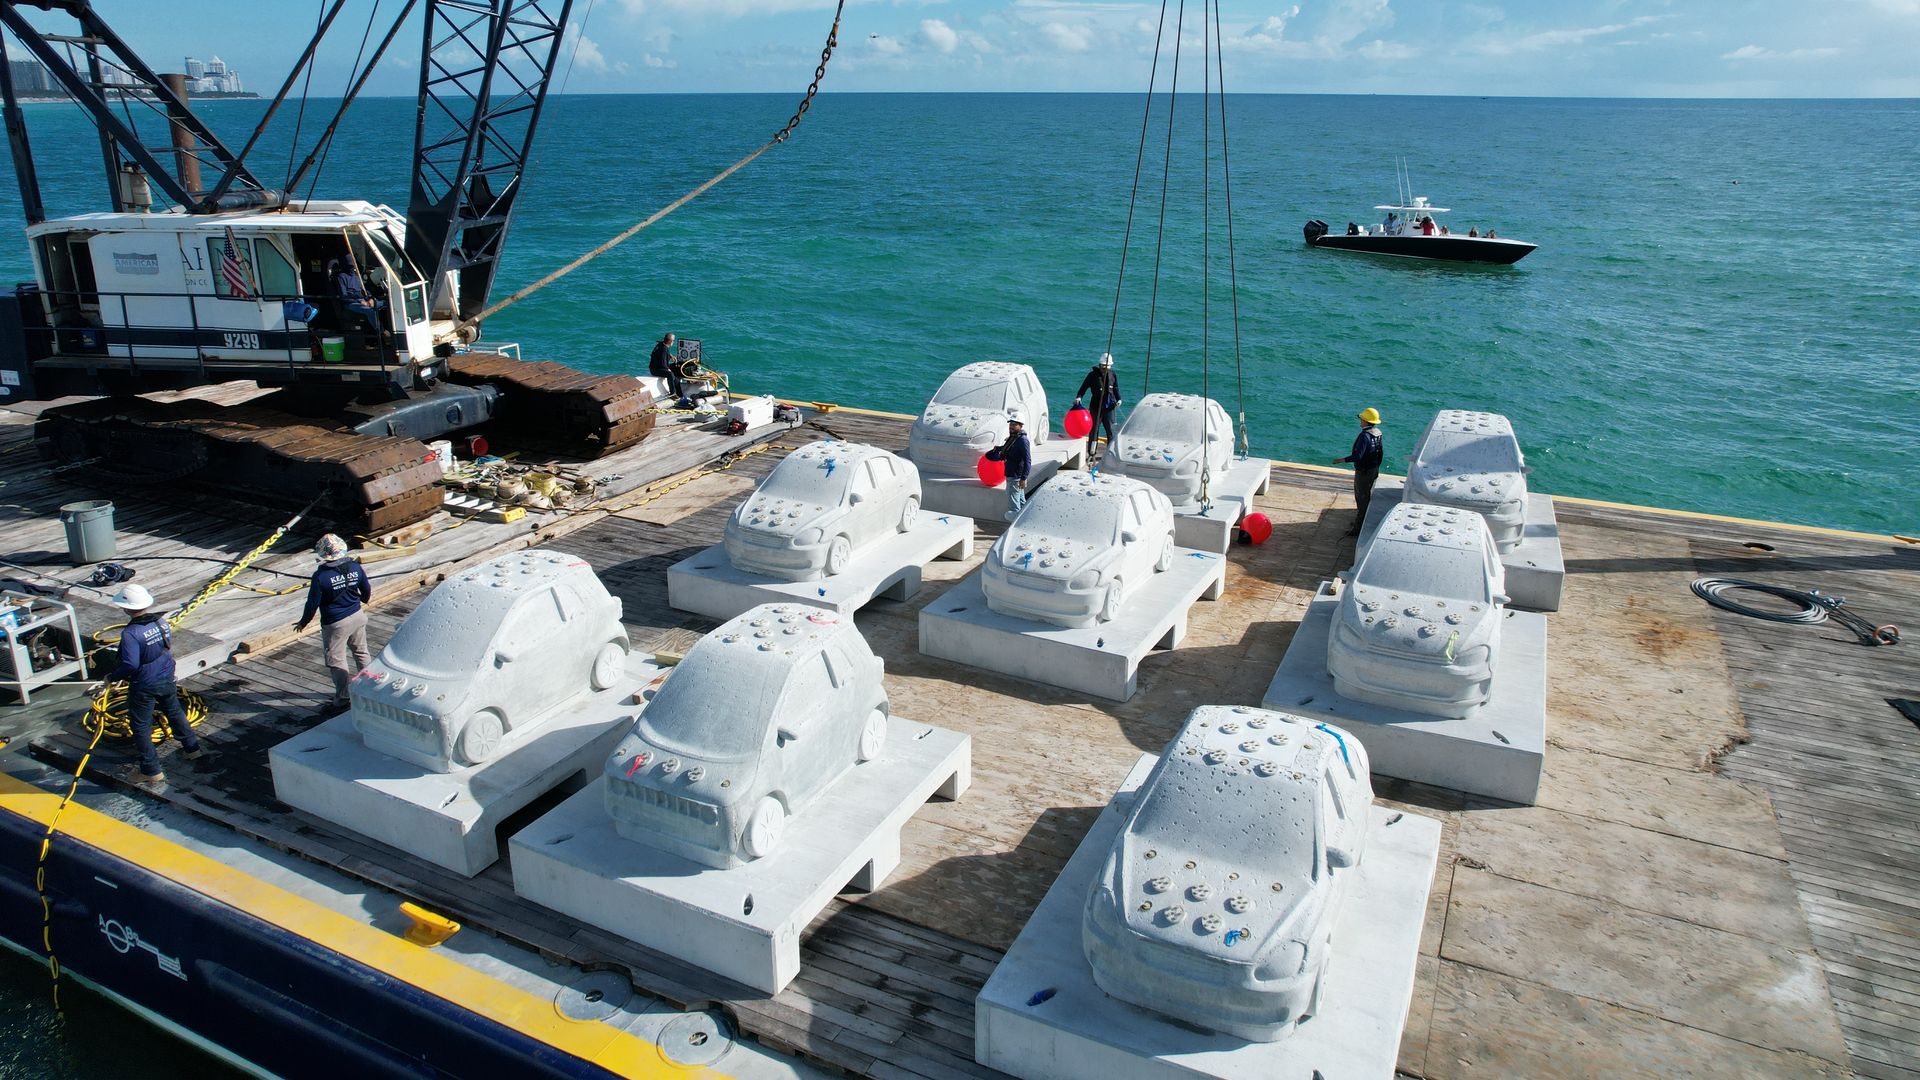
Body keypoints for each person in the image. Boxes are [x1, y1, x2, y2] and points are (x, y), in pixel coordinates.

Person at [94, 584, 204, 789]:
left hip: (145, 682)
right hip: (166, 673)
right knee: (174, 710)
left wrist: (112, 676)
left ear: (126, 607)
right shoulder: (160, 622)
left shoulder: (131, 634)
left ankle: (151, 770)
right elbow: (166, 645)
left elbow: (130, 664)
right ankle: (192, 748)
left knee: (140, 726)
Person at [294, 534, 373, 710]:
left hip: (336, 623)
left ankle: (343, 699)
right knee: (361, 651)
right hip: (358, 615)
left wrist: (303, 622)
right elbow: (366, 589)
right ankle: (369, 689)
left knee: (337, 660)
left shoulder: (321, 576)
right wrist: (365, 600)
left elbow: (312, 603)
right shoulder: (355, 566)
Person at [1331, 407, 1384, 536]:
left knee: (1361, 498)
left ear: (1365, 421)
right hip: (1373, 470)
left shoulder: (1364, 436)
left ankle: (1358, 529)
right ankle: (1360, 522)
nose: (1360, 421)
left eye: (1362, 419)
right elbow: (1380, 453)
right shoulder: (1378, 433)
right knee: (1367, 496)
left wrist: (1341, 460)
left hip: (1364, 472)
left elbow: (1358, 456)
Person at [1073, 352, 1123, 461]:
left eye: (1107, 367)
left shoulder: (1113, 375)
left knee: (1110, 431)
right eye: (1103, 367)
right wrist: (1079, 397)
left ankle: (1110, 454)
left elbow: (1115, 388)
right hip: (1096, 407)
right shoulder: (1092, 375)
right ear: (1100, 365)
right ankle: (1092, 454)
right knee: (1094, 431)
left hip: (1109, 408)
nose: (1105, 369)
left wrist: (1119, 399)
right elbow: (1084, 387)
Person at [986, 410, 1032, 521]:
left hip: (1015, 477)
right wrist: (1000, 448)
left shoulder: (1022, 440)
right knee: (1021, 501)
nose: (1011, 426)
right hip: (1013, 475)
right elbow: (1010, 449)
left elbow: (1028, 460)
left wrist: (1024, 478)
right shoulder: (1014, 437)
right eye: (1010, 423)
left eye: (1014, 424)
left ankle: (1014, 526)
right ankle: (1026, 521)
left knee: (1014, 506)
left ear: (1020, 425)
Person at [329, 256, 384, 334]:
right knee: (371, 311)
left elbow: (365, 291)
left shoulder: (357, 276)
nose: (353, 267)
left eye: (353, 265)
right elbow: (344, 297)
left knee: (386, 304)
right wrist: (360, 301)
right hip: (351, 303)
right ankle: (382, 333)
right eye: (350, 265)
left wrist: (370, 298)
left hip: (364, 300)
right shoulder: (341, 277)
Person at [649, 332, 683, 402]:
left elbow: (663, 354)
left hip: (657, 367)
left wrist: (670, 356)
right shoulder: (664, 349)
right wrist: (668, 369)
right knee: (670, 374)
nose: (674, 342)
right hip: (655, 369)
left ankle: (680, 394)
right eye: (673, 340)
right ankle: (672, 394)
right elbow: (663, 364)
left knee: (676, 375)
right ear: (670, 341)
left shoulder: (662, 344)